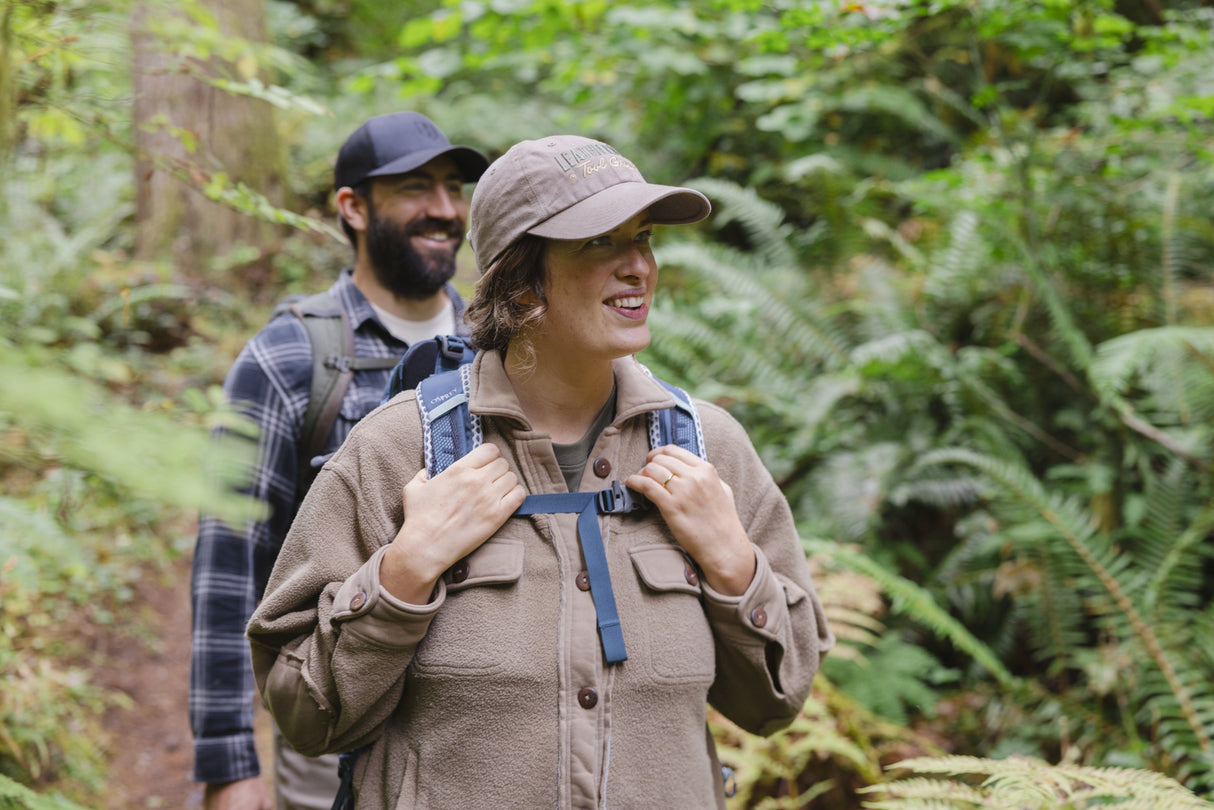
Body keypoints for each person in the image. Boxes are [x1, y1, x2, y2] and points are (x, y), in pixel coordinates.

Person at [247, 134, 835, 809]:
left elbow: (778, 701)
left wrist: (734, 566)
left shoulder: (709, 451)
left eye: (642, 239)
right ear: (519, 276)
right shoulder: (403, 449)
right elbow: (303, 714)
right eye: (599, 244)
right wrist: (402, 575)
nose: (638, 267)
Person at [190, 112, 490, 810]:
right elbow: (229, 561)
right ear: (353, 208)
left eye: (453, 188)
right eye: (417, 188)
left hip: (478, 736)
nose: (446, 210)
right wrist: (229, 760)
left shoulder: (495, 348)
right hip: (332, 728)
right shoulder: (289, 358)